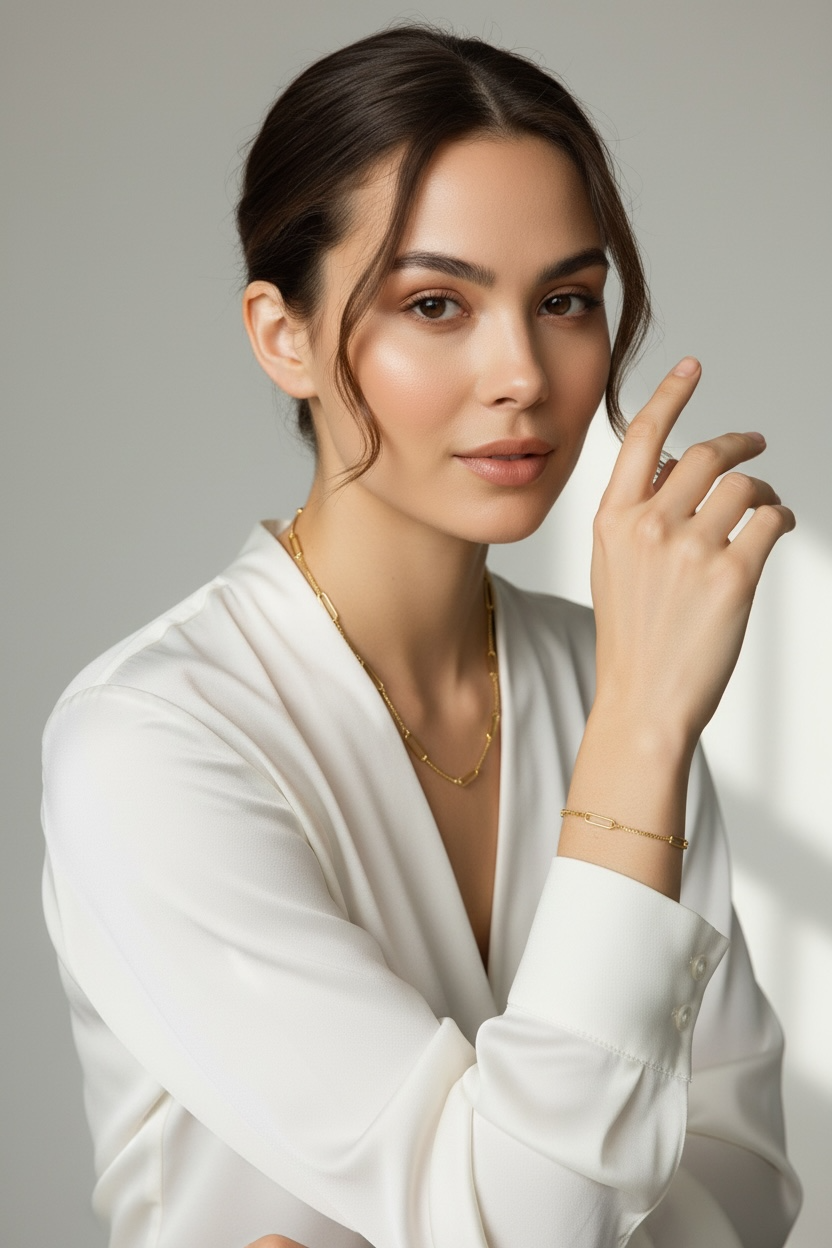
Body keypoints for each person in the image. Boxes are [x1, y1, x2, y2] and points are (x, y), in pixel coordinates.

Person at [41, 23, 802, 1248]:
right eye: (436, 304)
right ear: (283, 335)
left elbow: (747, 1178)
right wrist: (640, 729)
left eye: (565, 300)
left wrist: (640, 717)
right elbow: (522, 1225)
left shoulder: (616, 679)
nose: (523, 374)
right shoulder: (151, 743)